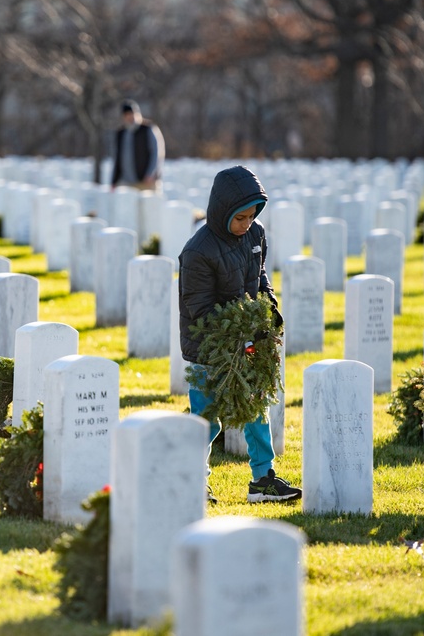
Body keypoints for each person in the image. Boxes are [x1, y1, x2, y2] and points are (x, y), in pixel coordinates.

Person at [178, 165, 302, 504]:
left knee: (255, 407)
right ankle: (193, 480)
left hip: (249, 340)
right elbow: (199, 308)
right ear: (222, 212)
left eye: (252, 216)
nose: (247, 224)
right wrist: (236, 332)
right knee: (207, 417)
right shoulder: (198, 251)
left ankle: (263, 479)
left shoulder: (256, 234)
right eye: (240, 218)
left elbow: (260, 277)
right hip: (209, 348)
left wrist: (269, 308)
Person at [110, 99, 164, 192]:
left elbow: (156, 153)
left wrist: (150, 174)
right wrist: (114, 181)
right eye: (127, 115)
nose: (130, 117)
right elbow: (118, 158)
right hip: (127, 182)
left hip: (146, 182)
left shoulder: (148, 129)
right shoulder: (121, 133)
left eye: (132, 114)